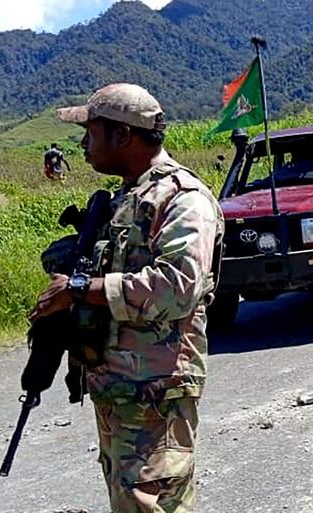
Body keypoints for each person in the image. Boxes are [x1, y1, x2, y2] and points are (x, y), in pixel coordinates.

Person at [29, 83, 224, 512]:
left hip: (156, 390)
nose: (83, 144)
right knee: (129, 500)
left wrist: (81, 289)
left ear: (123, 136)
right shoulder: (128, 197)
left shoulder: (182, 199)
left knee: (150, 503)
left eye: (91, 132)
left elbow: (179, 286)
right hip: (120, 386)